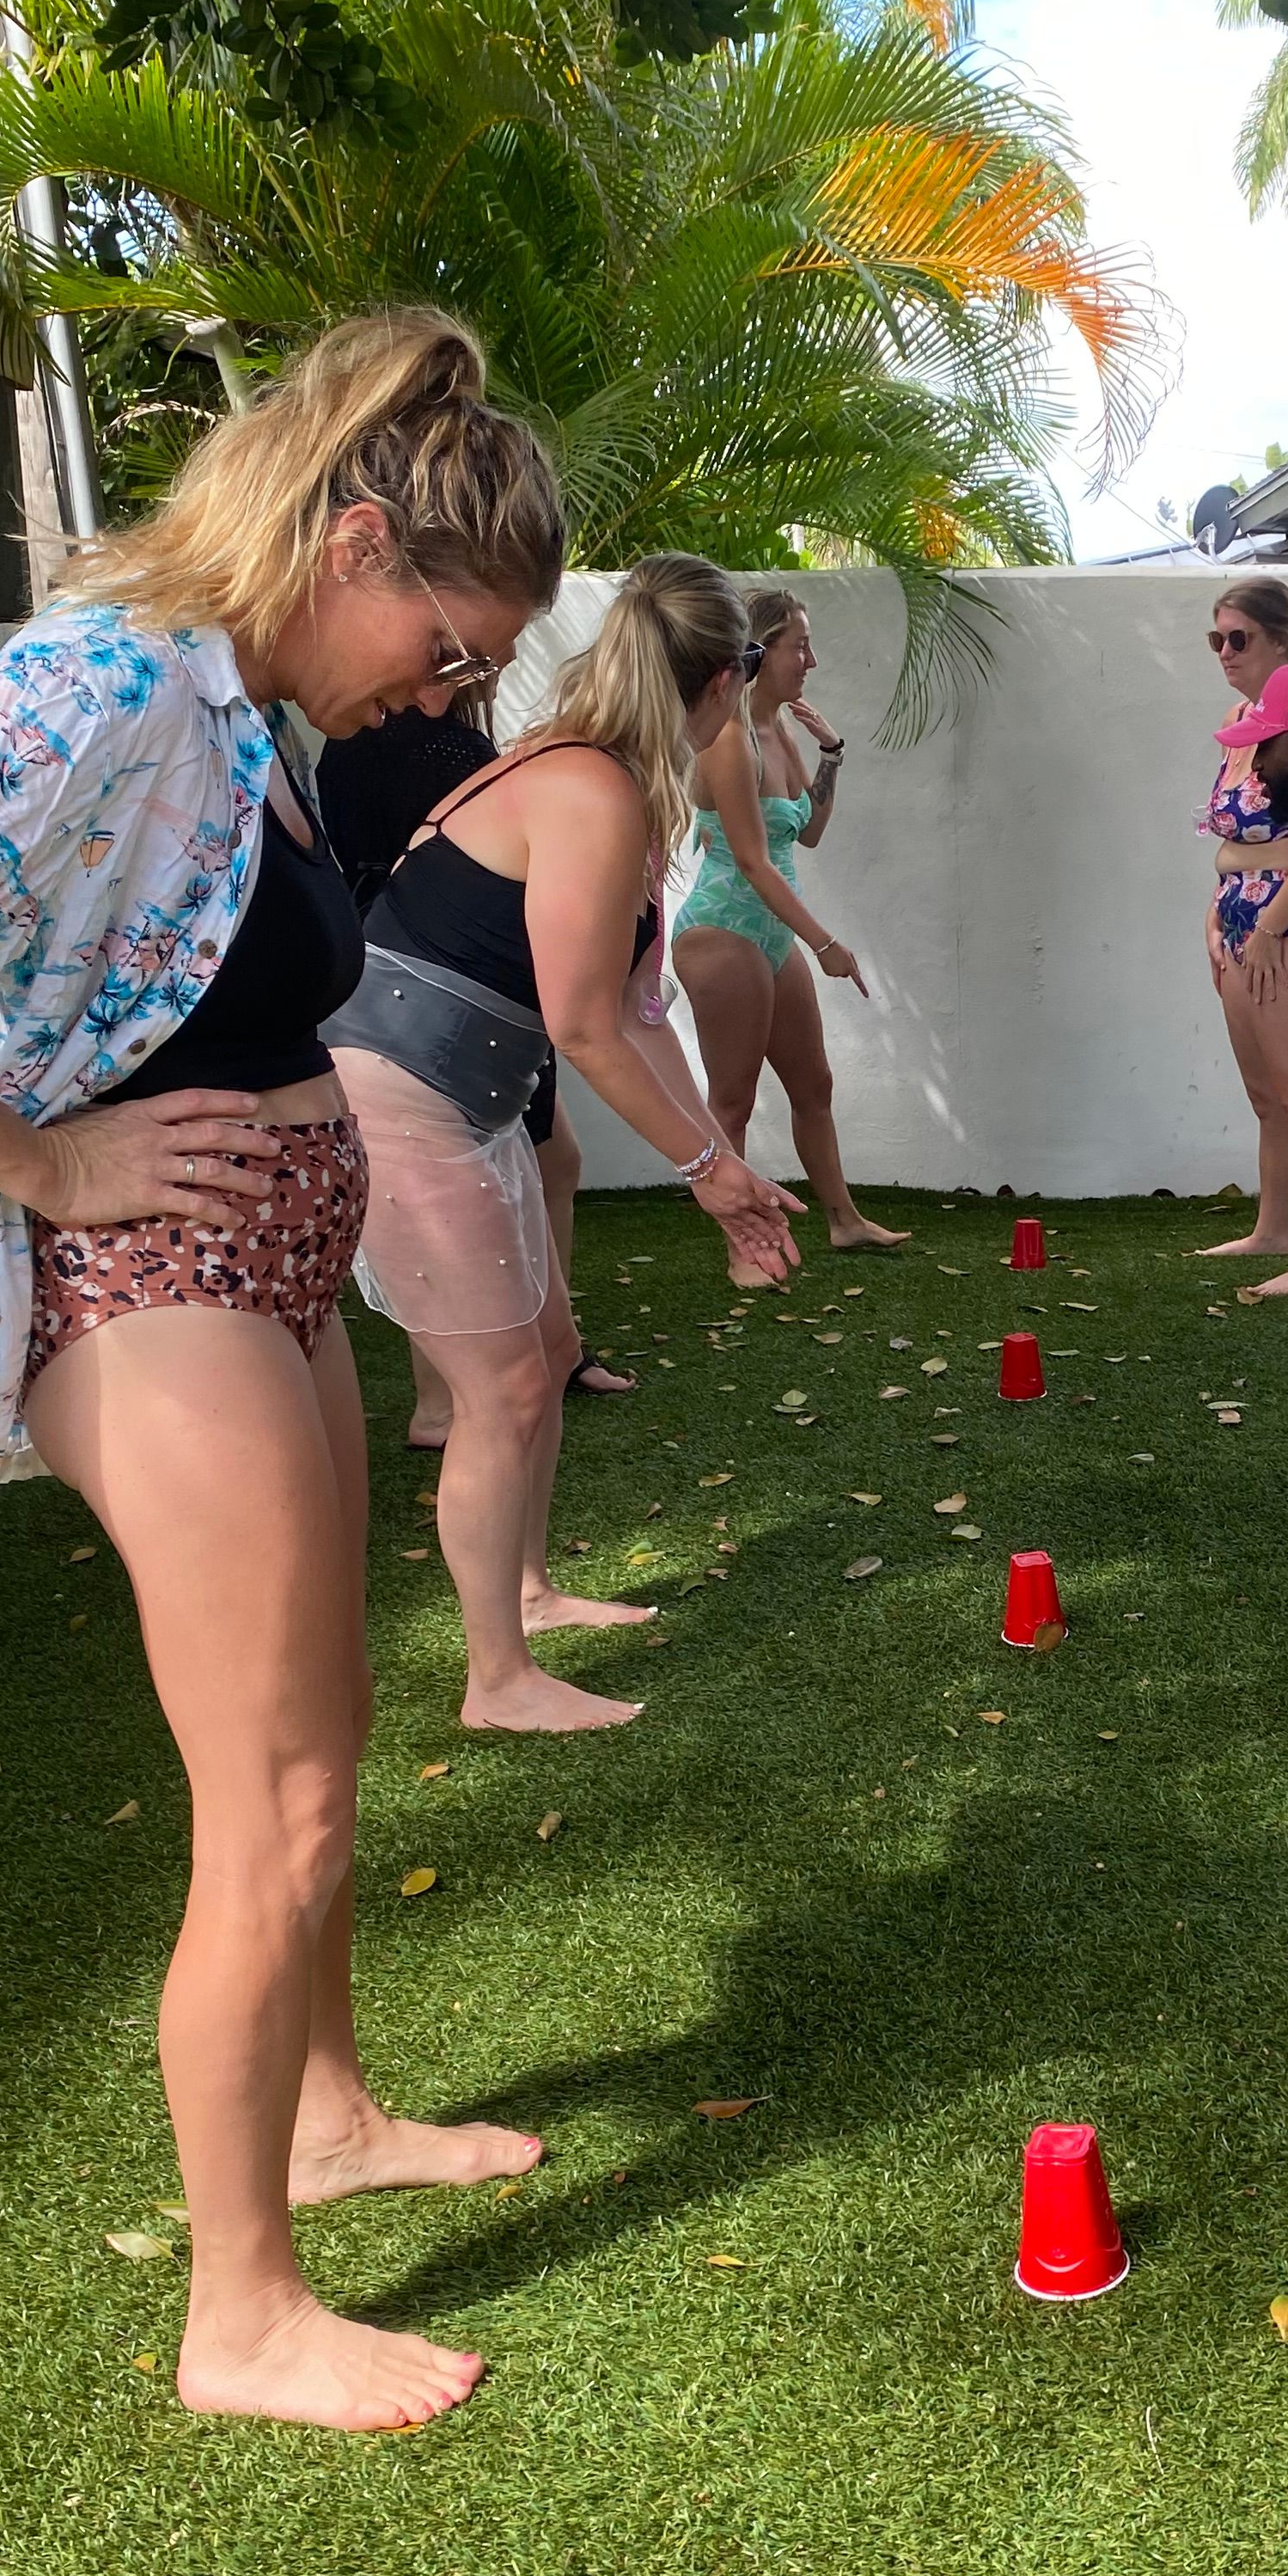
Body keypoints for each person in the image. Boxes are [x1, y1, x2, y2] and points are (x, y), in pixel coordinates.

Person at [0, 309, 577, 2433]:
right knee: (286, 1797)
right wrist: (36, 1159)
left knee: (320, 1747)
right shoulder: (112, 678)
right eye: (449, 637)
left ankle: (325, 2114)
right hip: (151, 1284)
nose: (458, 686)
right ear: (348, 540)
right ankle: (241, 2313)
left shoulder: (242, 720)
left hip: (261, 1268)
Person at [330, 557, 802, 1735]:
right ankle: (496, 1682)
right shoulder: (586, 786)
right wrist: (705, 1172)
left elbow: (642, 1014)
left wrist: (722, 1156)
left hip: (464, 1096)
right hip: (397, 1094)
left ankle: (530, 1599)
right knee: (504, 1392)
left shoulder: (607, 783)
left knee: (541, 1354)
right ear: (715, 687)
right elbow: (584, 1022)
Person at [320, 699, 639, 1441]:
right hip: (429, 1023)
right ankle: (448, 1398)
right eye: (460, 652)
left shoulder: (442, 751)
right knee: (508, 1387)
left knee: (553, 1173)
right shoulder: (455, 753)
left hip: (459, 1015)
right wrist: (706, 1160)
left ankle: (531, 1352)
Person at [660, 588, 906, 1271]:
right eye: (800, 645)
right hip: (721, 931)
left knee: (814, 1086)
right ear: (761, 652)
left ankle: (845, 1221)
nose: (812, 660)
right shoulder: (729, 737)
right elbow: (749, 859)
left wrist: (833, 753)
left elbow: (813, 832)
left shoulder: (782, 732)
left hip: (769, 934)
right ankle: (746, 1248)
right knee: (733, 1100)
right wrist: (825, 943)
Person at [1187, 582, 1288, 1300]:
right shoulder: (1238, 723)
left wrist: (1271, 926)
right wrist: (1217, 920)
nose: (1224, 652)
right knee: (1266, 1096)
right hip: (1240, 923)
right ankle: (1273, 1231)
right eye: (1216, 638)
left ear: (1283, 640)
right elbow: (1229, 840)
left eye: (1239, 638)